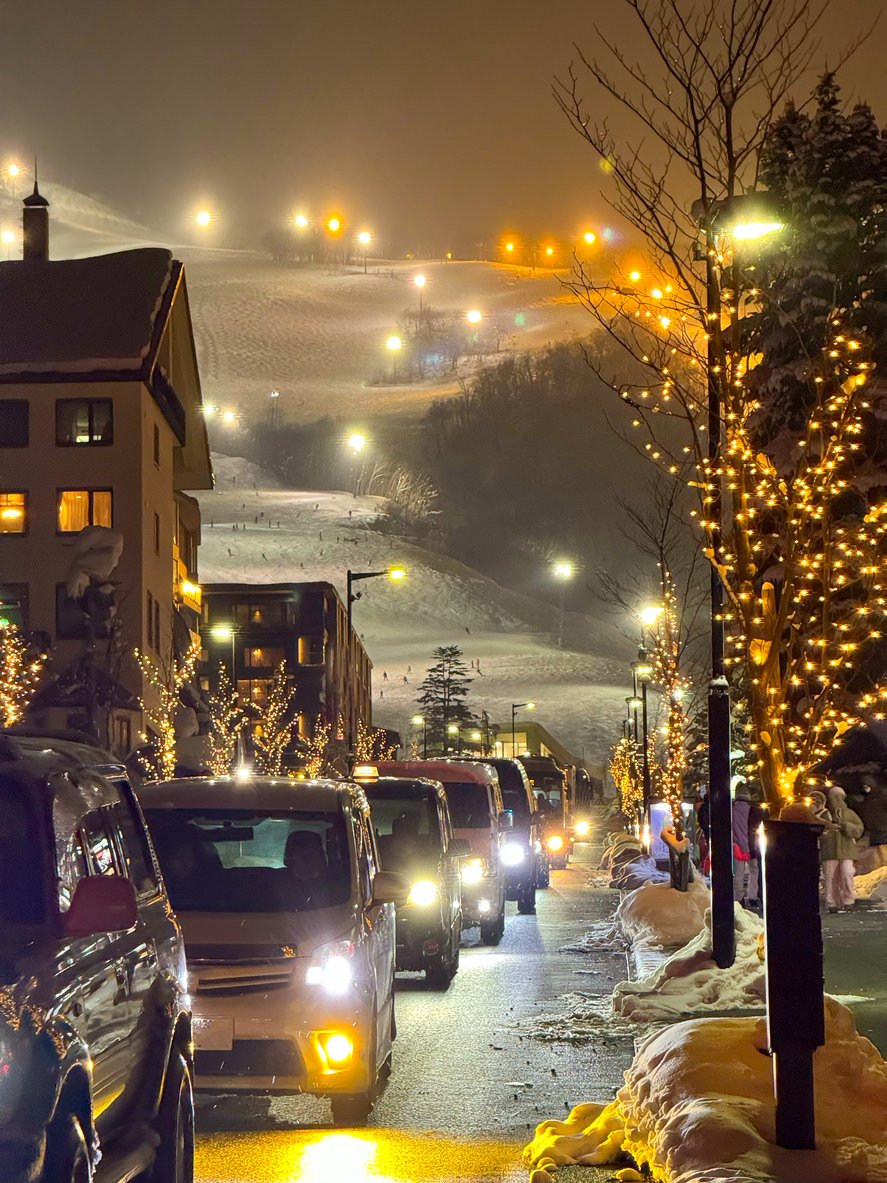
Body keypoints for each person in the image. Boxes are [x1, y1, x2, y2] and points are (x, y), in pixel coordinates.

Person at [820, 785, 864, 913]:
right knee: (830, 877)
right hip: (829, 850)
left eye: (840, 796)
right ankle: (831, 902)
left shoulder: (850, 813)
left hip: (847, 849)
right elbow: (818, 829)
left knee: (847, 873)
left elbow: (859, 829)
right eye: (835, 797)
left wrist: (847, 826)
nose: (837, 799)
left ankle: (848, 900)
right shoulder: (825, 814)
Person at [861, 773, 887, 871]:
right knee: (879, 853)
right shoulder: (870, 799)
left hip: (882, 829)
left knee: (883, 851)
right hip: (875, 830)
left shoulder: (880, 797)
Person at [731, 783, 752, 903]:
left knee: (738, 872)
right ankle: (753, 895)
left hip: (737, 846)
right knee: (754, 872)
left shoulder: (732, 810)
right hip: (751, 845)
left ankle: (739, 897)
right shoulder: (752, 810)